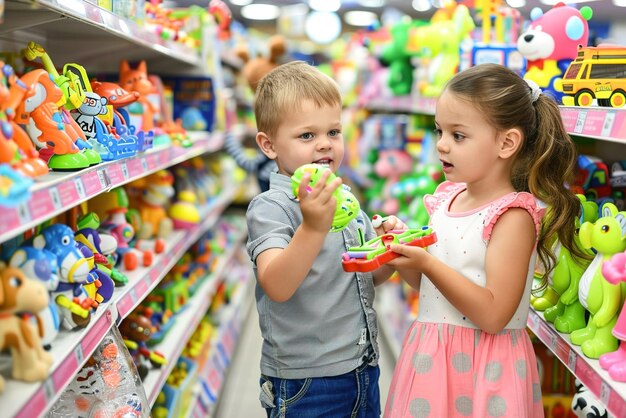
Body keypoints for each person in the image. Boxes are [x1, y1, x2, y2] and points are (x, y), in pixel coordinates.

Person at [383, 63, 586, 417]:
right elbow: (430, 289)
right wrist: (408, 253)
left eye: (458, 135)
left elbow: (493, 315)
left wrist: (427, 262)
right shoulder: (446, 198)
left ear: (507, 142)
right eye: (438, 131)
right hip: (432, 357)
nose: (442, 145)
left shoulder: (512, 217)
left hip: (485, 369)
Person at [246, 60, 405, 418]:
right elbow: (277, 285)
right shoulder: (271, 208)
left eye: (333, 132)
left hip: (362, 368)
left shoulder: (344, 199)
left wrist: (386, 251)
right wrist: (313, 228)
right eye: (307, 136)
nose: (324, 145)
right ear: (268, 144)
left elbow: (366, 276)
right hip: (306, 383)